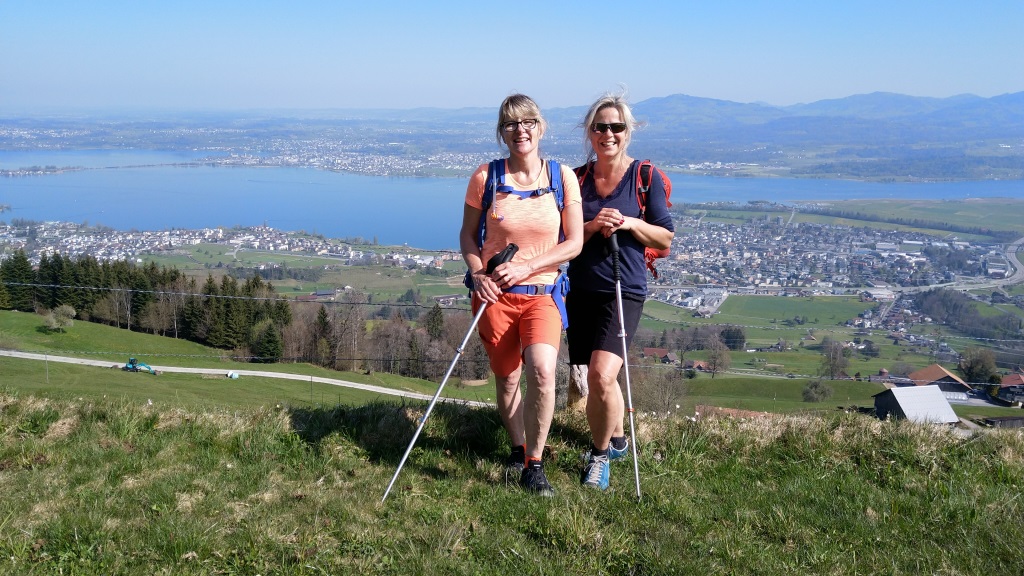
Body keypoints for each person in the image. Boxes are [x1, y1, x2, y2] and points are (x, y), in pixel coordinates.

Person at [459, 94, 583, 496]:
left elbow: (574, 243)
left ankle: (534, 463)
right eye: (511, 123)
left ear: (541, 127)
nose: (520, 130)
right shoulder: (486, 177)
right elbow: (468, 236)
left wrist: (527, 267)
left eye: (528, 121)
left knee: (543, 372)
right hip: (495, 296)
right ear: (502, 132)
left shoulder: (562, 178)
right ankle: (517, 448)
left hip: (542, 292)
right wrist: (478, 274)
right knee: (508, 376)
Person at [566, 93, 674, 490]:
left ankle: (599, 458)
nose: (608, 134)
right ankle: (616, 440)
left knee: (600, 374)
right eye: (600, 127)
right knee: (598, 376)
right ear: (589, 132)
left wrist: (628, 222)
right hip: (582, 290)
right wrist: (593, 226)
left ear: (628, 132)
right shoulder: (575, 180)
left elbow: (664, 237)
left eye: (616, 127)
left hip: (622, 289)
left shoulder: (644, 176)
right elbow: (564, 238)